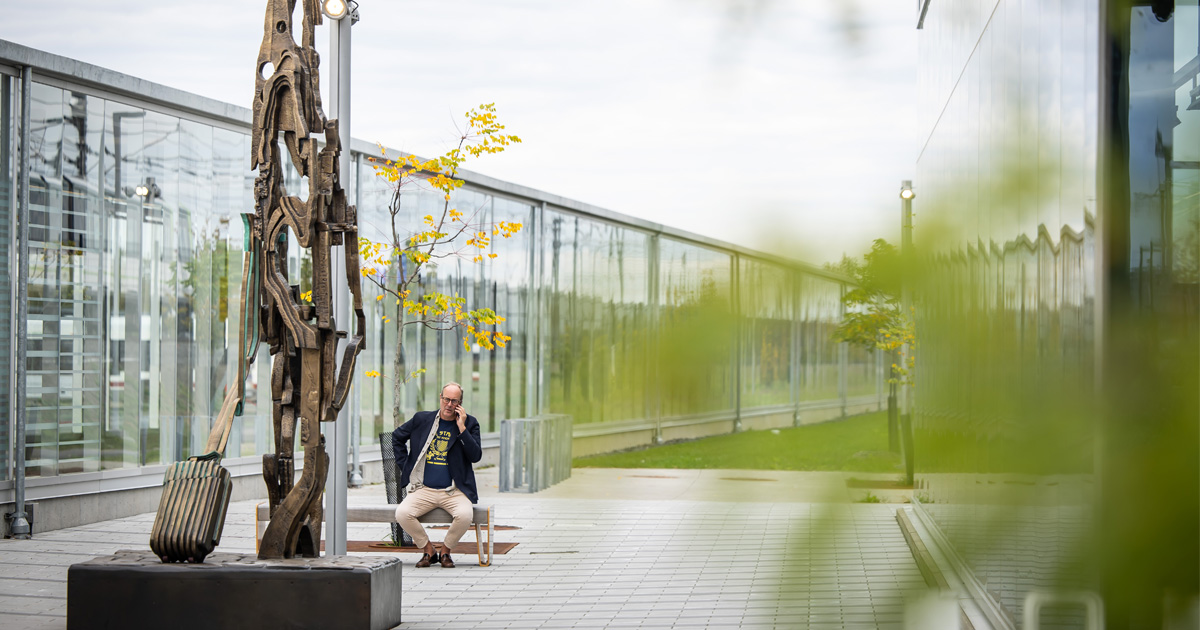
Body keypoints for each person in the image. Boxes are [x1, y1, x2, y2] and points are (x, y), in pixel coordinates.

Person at [391, 382, 481, 568]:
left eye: (454, 401)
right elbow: (397, 437)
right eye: (446, 399)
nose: (449, 404)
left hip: (454, 491)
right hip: (424, 489)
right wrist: (406, 465)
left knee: (465, 515)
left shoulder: (470, 423)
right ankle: (428, 549)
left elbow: (475, 456)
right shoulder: (422, 419)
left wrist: (462, 428)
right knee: (402, 513)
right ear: (440, 398)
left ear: (460, 403)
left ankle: (446, 552)